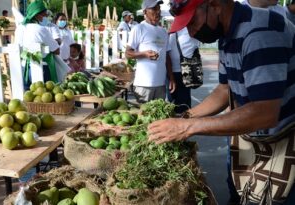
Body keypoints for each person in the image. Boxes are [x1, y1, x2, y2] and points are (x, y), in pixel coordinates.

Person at [148, 0, 295, 204]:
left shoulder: (259, 33)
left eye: (192, 22)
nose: (191, 34)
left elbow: (265, 113)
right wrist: (185, 117)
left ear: (215, 5)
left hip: (282, 145)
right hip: (250, 140)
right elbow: (224, 90)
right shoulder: (227, 33)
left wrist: (187, 127)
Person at [125, 0, 175, 103]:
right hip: (144, 85)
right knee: (144, 117)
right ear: (145, 12)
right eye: (153, 8)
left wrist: (171, 78)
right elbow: (128, 53)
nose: (157, 11)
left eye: (158, 8)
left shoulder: (163, 31)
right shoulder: (139, 28)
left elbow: (167, 56)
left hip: (161, 84)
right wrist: (144, 54)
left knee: (159, 117)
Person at [21, 0, 60, 89]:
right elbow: (57, 50)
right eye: (45, 14)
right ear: (37, 15)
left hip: (25, 69)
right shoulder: (41, 29)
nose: (47, 17)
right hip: (42, 68)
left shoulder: (22, 28)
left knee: (29, 99)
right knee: (45, 99)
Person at [167, 27, 199, 113]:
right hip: (173, 71)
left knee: (181, 104)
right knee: (175, 104)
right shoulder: (172, 32)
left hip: (182, 71)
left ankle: (182, 122)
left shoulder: (189, 30)